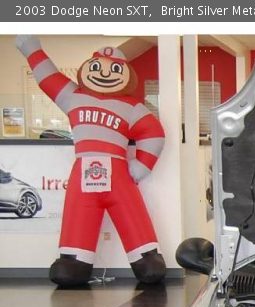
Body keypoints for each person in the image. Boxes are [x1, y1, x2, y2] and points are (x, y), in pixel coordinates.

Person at [16, 35, 167, 285]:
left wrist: (142, 165)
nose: (105, 74)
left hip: (119, 173)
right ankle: (74, 261)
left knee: (131, 213)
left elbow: (154, 132)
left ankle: (146, 258)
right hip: (84, 172)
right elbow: (48, 78)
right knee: (79, 213)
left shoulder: (131, 107)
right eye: (97, 67)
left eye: (114, 69)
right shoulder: (73, 95)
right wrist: (32, 49)